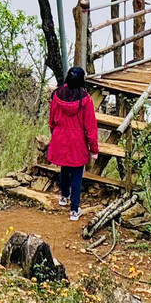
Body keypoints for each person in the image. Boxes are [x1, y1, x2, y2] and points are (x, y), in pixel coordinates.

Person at [47, 66, 99, 222]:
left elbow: (52, 120)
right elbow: (90, 127)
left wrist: (55, 135)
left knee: (64, 168)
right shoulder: (85, 100)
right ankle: (74, 210)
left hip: (60, 137)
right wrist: (94, 148)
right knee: (77, 175)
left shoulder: (57, 95)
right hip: (77, 142)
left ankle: (64, 197)